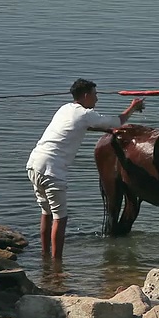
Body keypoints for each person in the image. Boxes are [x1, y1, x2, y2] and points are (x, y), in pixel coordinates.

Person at [26, 78, 145, 260]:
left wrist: (106, 131)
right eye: (95, 95)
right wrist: (133, 108)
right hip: (52, 169)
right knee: (60, 217)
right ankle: (57, 265)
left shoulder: (65, 109)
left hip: (34, 164)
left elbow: (77, 128)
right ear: (87, 95)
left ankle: (45, 256)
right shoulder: (85, 114)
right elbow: (116, 121)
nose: (97, 100)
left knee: (46, 212)